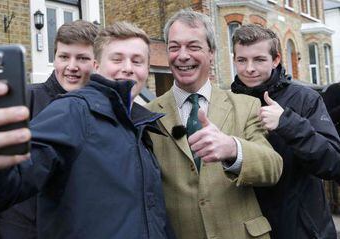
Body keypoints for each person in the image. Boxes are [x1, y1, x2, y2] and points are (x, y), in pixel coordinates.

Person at [0, 21, 175, 239]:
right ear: (98, 65)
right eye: (117, 59)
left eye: (137, 61)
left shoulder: (141, 125)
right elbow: (10, 179)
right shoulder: (72, 111)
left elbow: (150, 212)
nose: (128, 68)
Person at [0, 20, 98, 239]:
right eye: (64, 56)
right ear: (54, 58)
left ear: (96, 63)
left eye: (82, 58)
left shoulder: (104, 114)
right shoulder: (18, 104)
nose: (72, 66)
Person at [146, 10, 283, 239]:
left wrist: (232, 149)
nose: (182, 55)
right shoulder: (148, 116)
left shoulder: (246, 106)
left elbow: (272, 168)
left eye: (193, 46)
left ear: (211, 53)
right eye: (174, 47)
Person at [230, 24, 340, 239]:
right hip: (248, 230)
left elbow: (334, 163)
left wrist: (288, 124)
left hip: (303, 230)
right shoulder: (227, 102)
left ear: (276, 59)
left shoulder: (305, 98)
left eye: (259, 60)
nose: (249, 68)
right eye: (242, 60)